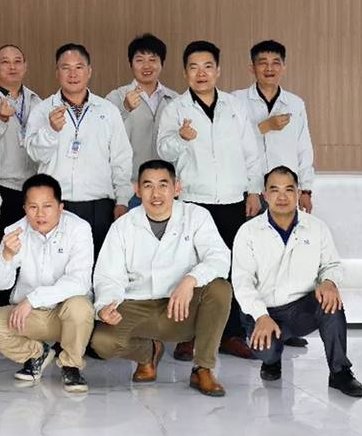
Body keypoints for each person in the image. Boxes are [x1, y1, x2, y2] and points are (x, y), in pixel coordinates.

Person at [157, 40, 263, 361]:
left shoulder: (235, 107)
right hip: (193, 200)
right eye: (193, 67)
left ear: (218, 70)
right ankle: (189, 336)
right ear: (185, 73)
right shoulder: (175, 109)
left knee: (231, 269)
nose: (201, 73)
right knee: (191, 268)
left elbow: (251, 151)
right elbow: (162, 150)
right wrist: (181, 138)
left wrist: (254, 190)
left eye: (207, 67)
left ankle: (231, 334)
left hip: (232, 200)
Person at [90, 159, 232, 397]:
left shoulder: (196, 216)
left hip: (182, 309)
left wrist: (191, 280)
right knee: (102, 342)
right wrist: (106, 306)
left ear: (177, 188)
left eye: (163, 185)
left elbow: (220, 257)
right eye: (148, 186)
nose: (156, 194)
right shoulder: (123, 226)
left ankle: (203, 368)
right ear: (137, 190)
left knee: (220, 288)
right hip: (138, 305)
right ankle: (148, 353)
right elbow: (108, 276)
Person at [233, 166, 362, 397]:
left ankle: (340, 372)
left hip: (301, 309)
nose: (282, 196)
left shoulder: (317, 227)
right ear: (265, 195)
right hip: (264, 311)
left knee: (331, 303)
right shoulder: (248, 232)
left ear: (298, 193)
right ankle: (272, 360)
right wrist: (261, 315)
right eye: (274, 190)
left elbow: (332, 265)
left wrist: (329, 282)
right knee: (266, 351)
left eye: (289, 189)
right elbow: (242, 282)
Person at [0, 174, 94, 393]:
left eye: (47, 206)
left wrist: (33, 299)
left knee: (80, 306)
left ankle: (71, 366)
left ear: (60, 207)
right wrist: (7, 257)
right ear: (24, 208)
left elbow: (79, 281)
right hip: (29, 316)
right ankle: (38, 354)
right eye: (33, 207)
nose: (40, 214)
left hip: (64, 315)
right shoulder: (15, 231)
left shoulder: (79, 228)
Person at [24, 43, 132, 256]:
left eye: (79, 67)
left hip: (99, 205)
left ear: (89, 71)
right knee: (56, 265)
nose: (72, 74)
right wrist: (51, 130)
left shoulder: (107, 110)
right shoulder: (42, 110)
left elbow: (121, 158)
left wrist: (122, 200)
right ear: (57, 73)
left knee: (99, 265)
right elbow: (35, 155)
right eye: (66, 68)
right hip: (57, 205)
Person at [0, 44, 42, 311]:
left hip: (32, 190)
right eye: (5, 62)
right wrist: (1, 119)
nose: (12, 67)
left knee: (30, 256)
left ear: (25, 66)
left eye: (17, 61)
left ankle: (25, 316)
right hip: (0, 189)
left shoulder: (36, 101)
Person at [234, 40, 315, 211]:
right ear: (252, 68)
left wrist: (306, 189)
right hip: (247, 190)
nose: (269, 69)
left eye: (276, 63)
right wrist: (265, 126)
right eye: (263, 63)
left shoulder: (295, 103)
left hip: (285, 190)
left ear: (283, 67)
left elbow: (304, 148)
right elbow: (229, 143)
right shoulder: (236, 101)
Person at [106, 33, 179, 204]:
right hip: (129, 189)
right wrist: (125, 108)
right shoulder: (116, 98)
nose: (146, 66)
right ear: (130, 64)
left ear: (162, 63)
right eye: (139, 60)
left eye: (153, 60)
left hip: (166, 188)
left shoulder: (175, 100)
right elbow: (103, 137)